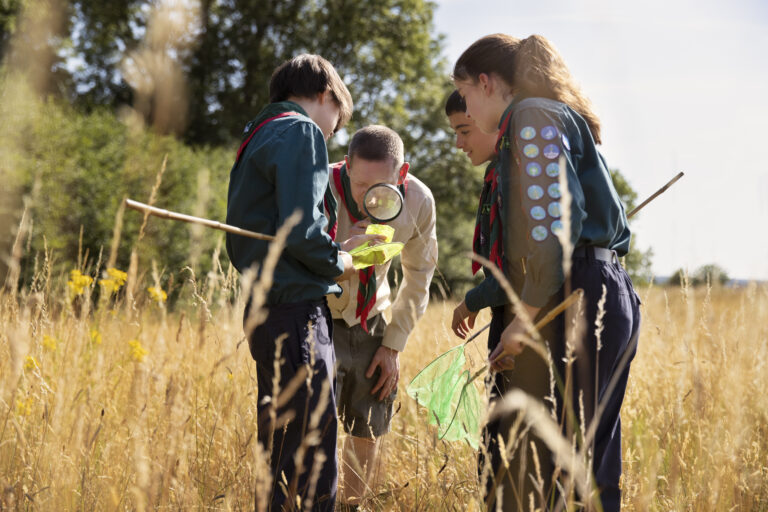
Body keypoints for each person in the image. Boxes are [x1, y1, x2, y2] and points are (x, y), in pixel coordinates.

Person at [451, 34, 642, 511]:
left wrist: (524, 315)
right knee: (579, 465)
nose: (468, 111)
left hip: (573, 296)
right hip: (590, 286)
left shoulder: (531, 115)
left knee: (559, 469)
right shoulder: (543, 115)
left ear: (485, 81)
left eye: (467, 95)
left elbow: (554, 225)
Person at [225, 54, 381, 512]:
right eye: (336, 126)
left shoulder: (257, 133)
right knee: (311, 453)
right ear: (325, 96)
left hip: (264, 306)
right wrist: (343, 261)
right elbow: (302, 229)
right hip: (296, 311)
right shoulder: (301, 130)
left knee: (279, 451)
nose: (330, 134)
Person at [324, 125, 437, 510]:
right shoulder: (318, 185)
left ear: (401, 175)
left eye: (381, 186)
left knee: (368, 425)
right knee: (313, 424)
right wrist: (343, 253)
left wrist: (393, 345)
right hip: (319, 314)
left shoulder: (420, 200)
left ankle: (349, 507)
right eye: (359, 184)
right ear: (346, 165)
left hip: (373, 320)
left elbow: (419, 275)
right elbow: (300, 261)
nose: (367, 196)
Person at [445, 89, 520, 501]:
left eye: (464, 129)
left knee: (505, 436)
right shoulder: (495, 175)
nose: (458, 142)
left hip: (522, 318)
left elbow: (510, 269)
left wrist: (470, 301)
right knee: (496, 435)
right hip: (507, 318)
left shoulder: (514, 172)